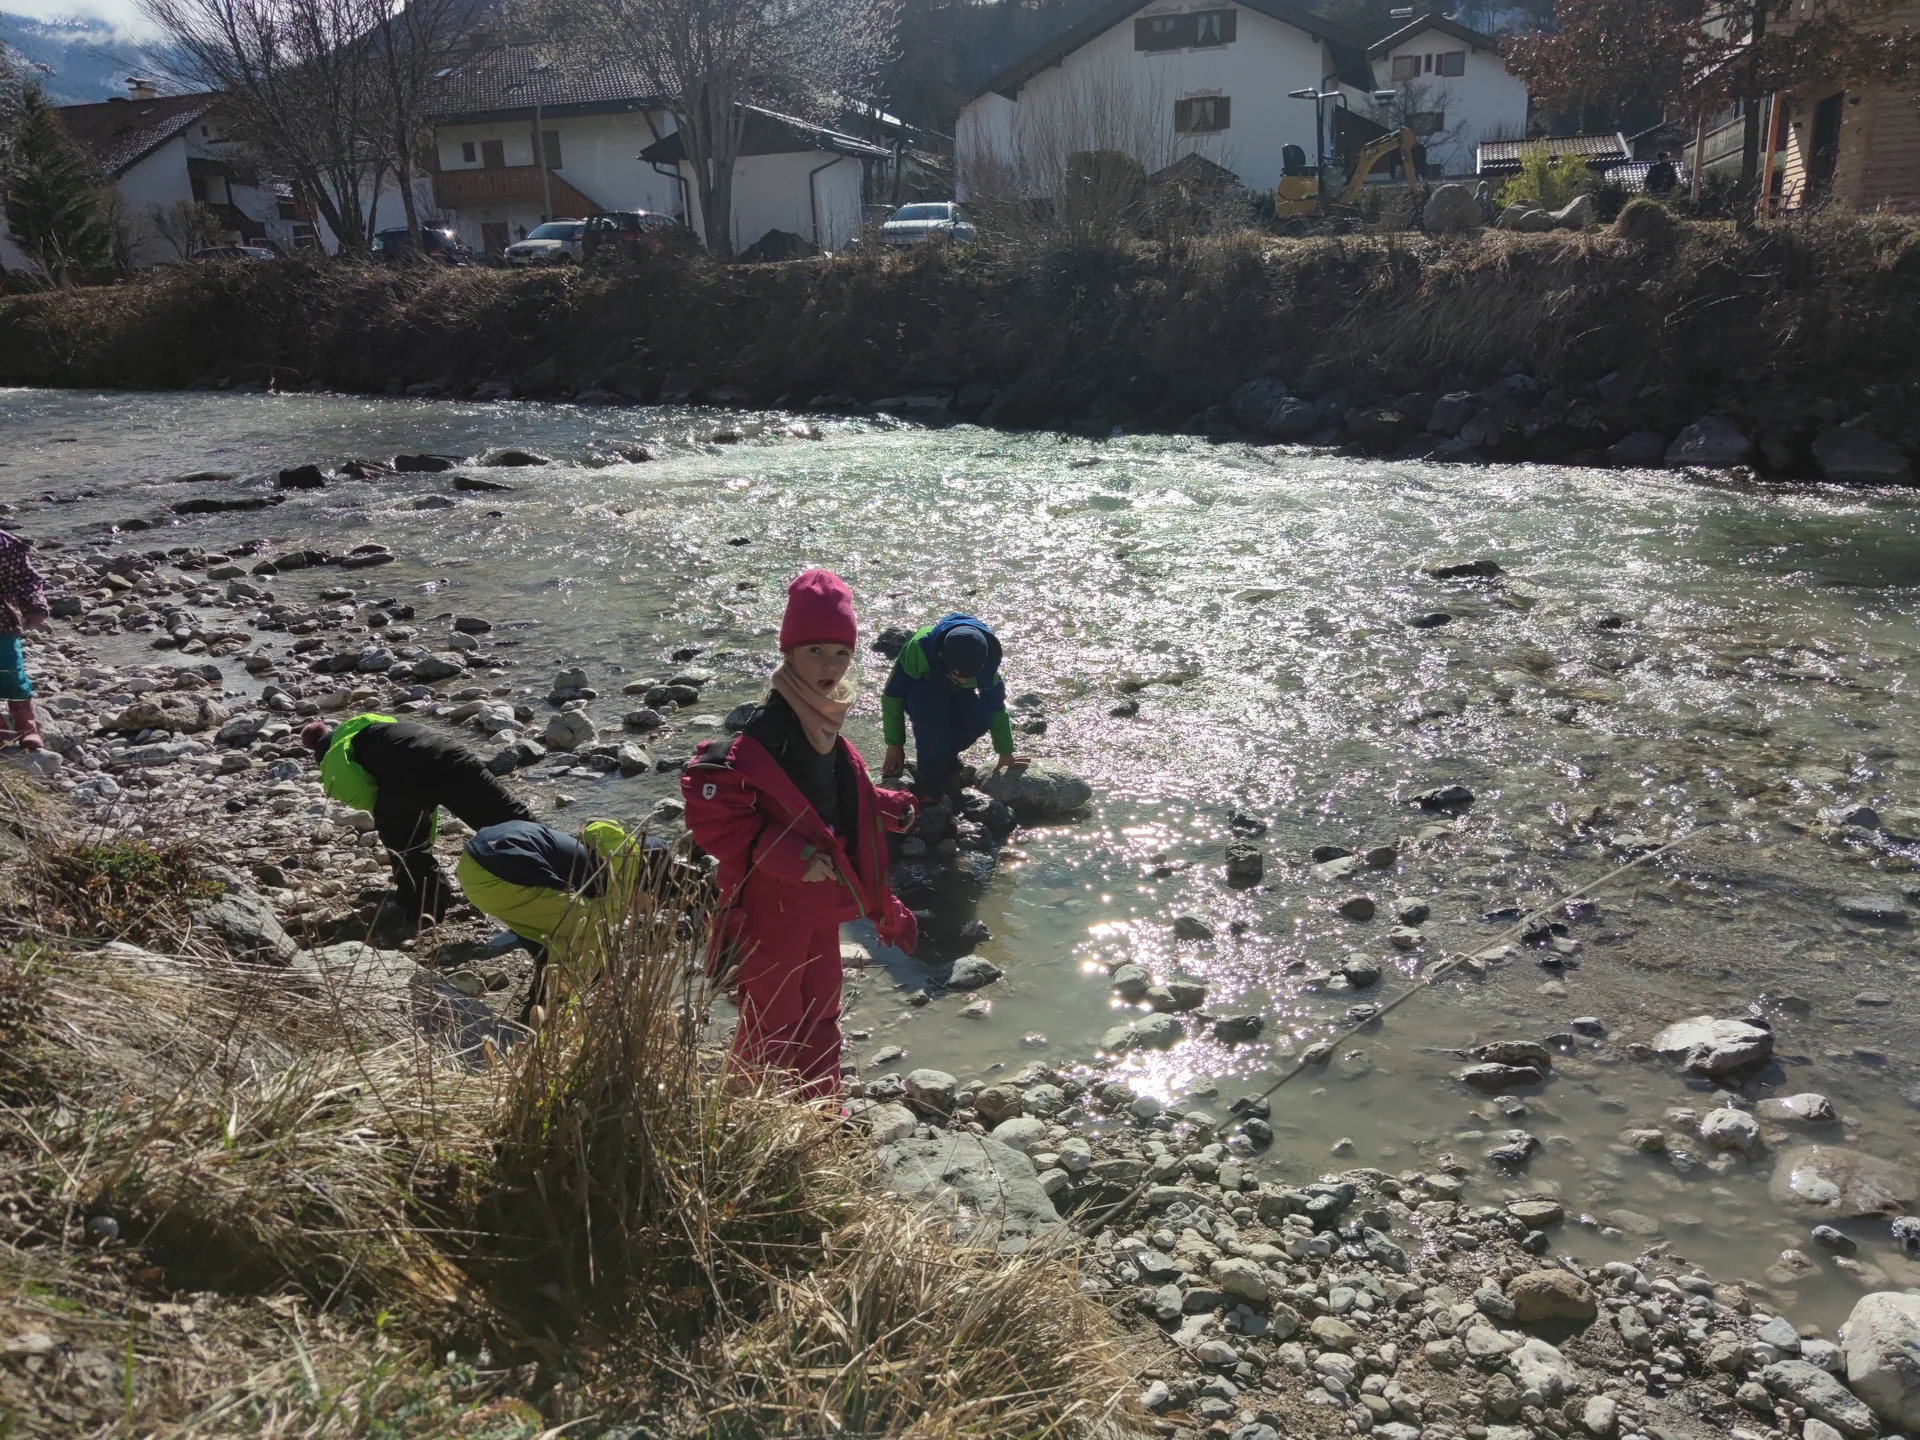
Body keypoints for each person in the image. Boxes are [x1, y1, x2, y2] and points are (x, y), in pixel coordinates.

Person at [681, 569, 919, 1100]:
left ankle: (816, 1108)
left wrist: (885, 807)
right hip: (774, 901)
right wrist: (789, 855)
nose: (830, 666)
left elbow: (829, 797)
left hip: (819, 899)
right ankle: (751, 1115)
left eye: (840, 653)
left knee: (821, 1006)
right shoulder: (769, 728)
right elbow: (717, 816)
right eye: (815, 650)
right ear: (787, 653)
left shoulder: (822, 720)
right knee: (773, 1014)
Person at [301, 714, 533, 924]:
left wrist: (415, 834)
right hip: (447, 750)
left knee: (406, 848)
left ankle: (424, 911)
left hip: (405, 774)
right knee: (509, 818)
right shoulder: (366, 723)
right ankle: (563, 864)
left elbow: (363, 794)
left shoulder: (333, 757)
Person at [456, 817, 661, 1021]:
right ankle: (550, 1012)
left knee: (547, 933)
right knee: (590, 930)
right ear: (646, 881)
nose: (647, 909)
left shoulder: (605, 854)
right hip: (495, 877)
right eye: (653, 899)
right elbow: (598, 924)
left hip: (472, 866)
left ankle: (539, 999)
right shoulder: (622, 875)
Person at [879, 613, 1027, 799]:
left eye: (969, 675)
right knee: (933, 724)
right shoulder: (919, 649)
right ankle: (929, 785)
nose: (964, 679)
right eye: (958, 674)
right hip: (923, 692)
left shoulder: (986, 659)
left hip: (960, 694)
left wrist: (1005, 751)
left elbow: (996, 707)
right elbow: (892, 696)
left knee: (980, 719)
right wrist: (895, 744)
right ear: (941, 655)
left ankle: (944, 758)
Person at [0, 530, 49, 752]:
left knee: (11, 669)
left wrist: (34, 606)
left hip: (1, 620)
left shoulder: (5, 544)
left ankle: (26, 726)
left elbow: (26, 579)